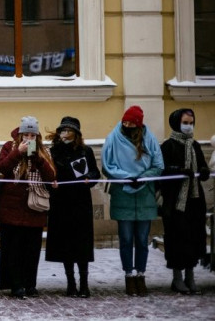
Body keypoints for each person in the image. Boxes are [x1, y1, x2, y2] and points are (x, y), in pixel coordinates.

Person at [102, 105, 164, 297]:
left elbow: (158, 164)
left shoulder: (149, 139)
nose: (126, 125)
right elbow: (107, 165)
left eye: (131, 123)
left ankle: (141, 275)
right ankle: (129, 276)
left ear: (138, 124)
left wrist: (143, 177)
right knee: (126, 239)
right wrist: (127, 177)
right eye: (125, 121)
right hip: (123, 194)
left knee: (142, 240)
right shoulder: (113, 139)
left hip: (144, 195)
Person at [0, 116, 56, 299]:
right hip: (11, 206)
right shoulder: (9, 147)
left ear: (37, 136)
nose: (29, 138)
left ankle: (30, 284)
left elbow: (51, 177)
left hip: (34, 207)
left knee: (32, 249)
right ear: (20, 135)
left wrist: (38, 159)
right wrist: (18, 153)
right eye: (25, 134)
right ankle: (15, 284)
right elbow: (1, 167)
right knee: (13, 249)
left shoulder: (44, 151)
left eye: (32, 135)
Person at [44, 116, 100, 298]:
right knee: (66, 243)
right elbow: (47, 174)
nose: (65, 134)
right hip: (61, 202)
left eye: (69, 131)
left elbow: (95, 172)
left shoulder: (85, 151)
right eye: (62, 131)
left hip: (81, 202)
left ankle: (84, 283)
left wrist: (88, 179)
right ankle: (71, 283)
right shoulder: (53, 152)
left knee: (82, 244)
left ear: (76, 134)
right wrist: (51, 183)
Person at [159, 108, 210, 294]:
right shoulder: (168, 145)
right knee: (177, 240)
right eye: (185, 123)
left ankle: (191, 276)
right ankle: (177, 278)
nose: (188, 126)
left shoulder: (195, 145)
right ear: (176, 123)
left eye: (191, 123)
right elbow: (161, 171)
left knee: (193, 239)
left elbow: (202, 165)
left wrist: (203, 171)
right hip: (175, 202)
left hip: (195, 200)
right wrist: (177, 171)